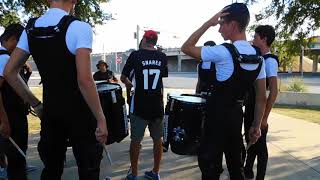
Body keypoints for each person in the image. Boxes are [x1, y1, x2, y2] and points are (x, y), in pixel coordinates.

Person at [4, 0, 108, 179]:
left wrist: (36, 104)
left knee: (51, 170)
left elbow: (9, 72)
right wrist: (101, 118)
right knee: (88, 170)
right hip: (80, 114)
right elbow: (84, 80)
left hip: (51, 113)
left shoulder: (30, 29)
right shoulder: (79, 27)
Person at [181, 3, 267, 180]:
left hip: (215, 119)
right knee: (236, 169)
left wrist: (208, 23)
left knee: (210, 169)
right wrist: (256, 125)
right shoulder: (258, 57)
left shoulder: (223, 52)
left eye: (222, 24)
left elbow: (186, 47)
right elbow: (260, 97)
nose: (219, 29)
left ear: (233, 25)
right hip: (236, 118)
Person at [121, 30, 168, 180]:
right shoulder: (162, 56)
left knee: (136, 141)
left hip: (140, 105)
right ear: (154, 41)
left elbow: (123, 77)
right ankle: (156, 172)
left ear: (144, 40)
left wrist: (130, 86)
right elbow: (162, 77)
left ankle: (134, 173)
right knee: (157, 140)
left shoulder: (135, 55)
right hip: (157, 105)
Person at [244, 25, 278, 180]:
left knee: (260, 148)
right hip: (251, 107)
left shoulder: (270, 61)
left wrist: (264, 117)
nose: (253, 40)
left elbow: (274, 91)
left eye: (256, 37)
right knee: (250, 142)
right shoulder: (258, 58)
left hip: (259, 109)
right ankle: (247, 170)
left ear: (264, 39)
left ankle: (260, 177)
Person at [0, 23, 28, 180]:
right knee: (17, 162)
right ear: (11, 39)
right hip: (11, 118)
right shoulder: (4, 59)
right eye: (21, 44)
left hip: (10, 115)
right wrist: (4, 121)